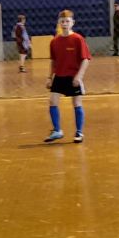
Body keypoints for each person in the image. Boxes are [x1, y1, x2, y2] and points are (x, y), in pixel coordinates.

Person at [43, 10, 91, 144]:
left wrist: (79, 76)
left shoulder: (78, 39)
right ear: (59, 23)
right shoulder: (54, 41)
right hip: (59, 76)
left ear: (72, 23)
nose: (65, 24)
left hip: (73, 76)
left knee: (76, 103)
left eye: (67, 21)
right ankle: (57, 130)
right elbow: (53, 61)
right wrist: (49, 77)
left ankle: (79, 132)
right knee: (52, 101)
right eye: (62, 21)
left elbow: (85, 59)